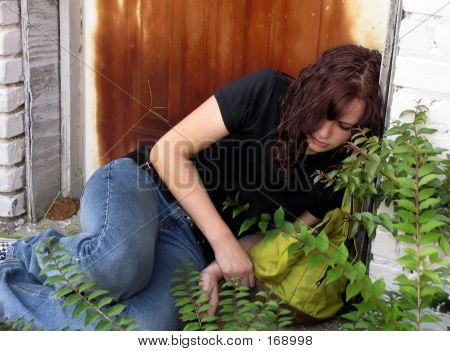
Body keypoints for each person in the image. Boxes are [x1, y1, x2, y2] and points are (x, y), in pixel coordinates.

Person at [0, 44, 384, 330]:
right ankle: (26, 250)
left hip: (187, 245)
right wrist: (224, 241)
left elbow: (279, 237)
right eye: (324, 113)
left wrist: (217, 269)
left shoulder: (336, 176)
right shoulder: (267, 91)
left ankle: (7, 289)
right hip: (142, 187)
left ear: (361, 129)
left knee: (143, 327)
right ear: (311, 91)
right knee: (115, 265)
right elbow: (168, 151)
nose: (325, 132)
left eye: (345, 127)